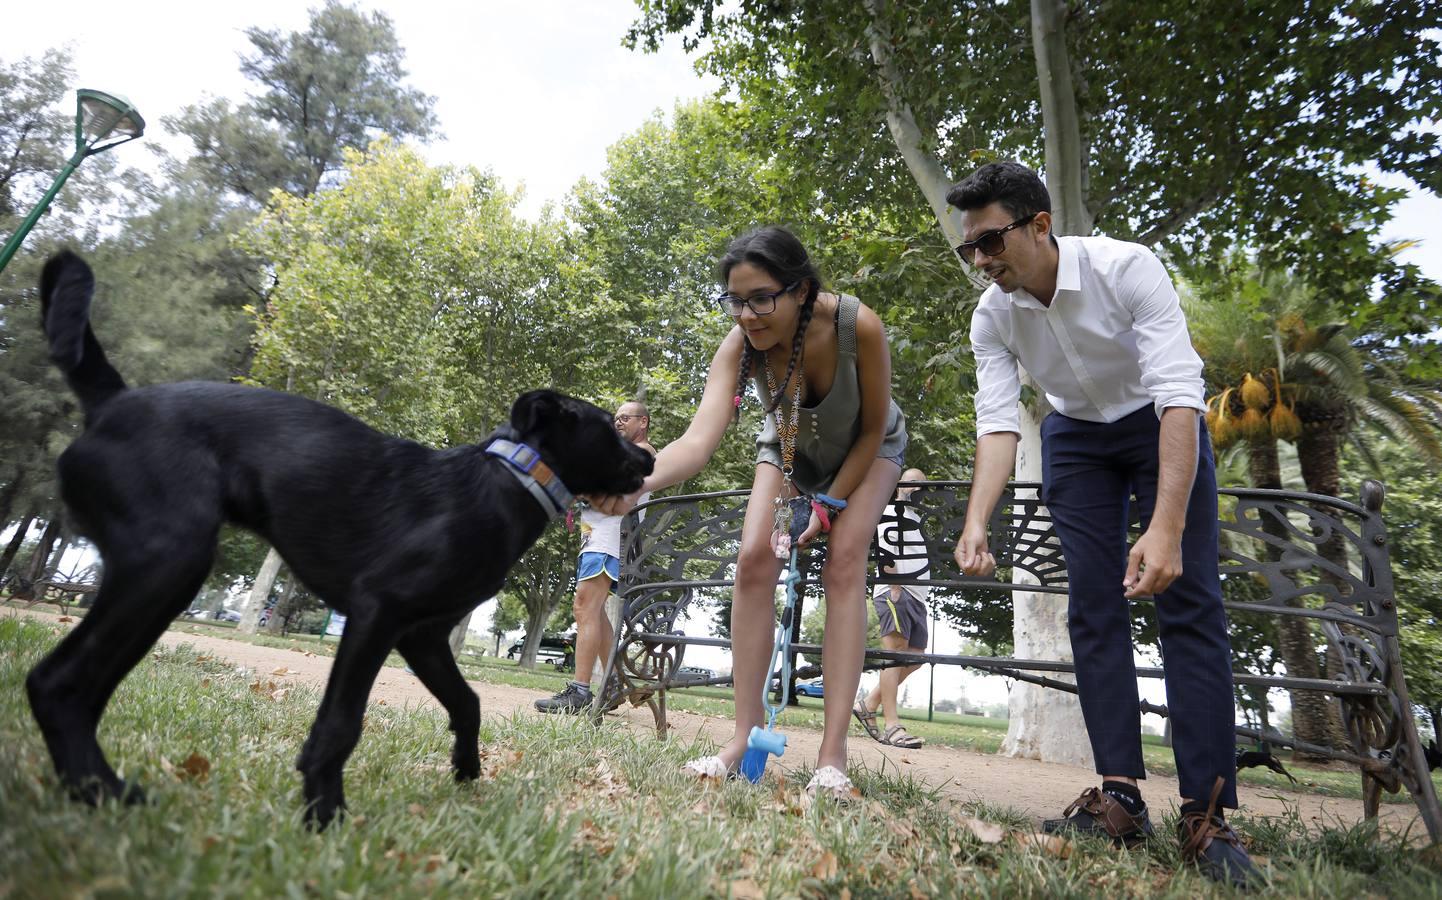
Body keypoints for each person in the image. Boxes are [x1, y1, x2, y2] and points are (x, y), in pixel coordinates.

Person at [947, 161, 1254, 886]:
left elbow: (1180, 396)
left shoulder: (1127, 269)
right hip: (1077, 440)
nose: (982, 262)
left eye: (992, 242)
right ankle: (1119, 798)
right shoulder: (992, 316)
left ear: (1040, 225)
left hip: (1159, 426)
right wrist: (976, 519)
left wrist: (1168, 526)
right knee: (1092, 606)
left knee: (1190, 603)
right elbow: (998, 424)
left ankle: (1205, 814)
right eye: (971, 250)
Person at [590, 226, 906, 799]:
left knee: (845, 562)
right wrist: (637, 480)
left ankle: (832, 756)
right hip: (787, 449)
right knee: (752, 561)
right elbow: (697, 440)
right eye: (735, 300)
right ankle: (743, 737)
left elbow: (872, 428)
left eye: (762, 298)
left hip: (870, 449)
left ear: (802, 289)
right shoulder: (740, 346)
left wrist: (832, 503)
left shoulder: (857, 324)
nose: (747, 315)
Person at [535, 401, 657, 714]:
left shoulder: (645, 451)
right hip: (598, 537)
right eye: (615, 418)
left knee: (584, 606)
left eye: (625, 418)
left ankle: (580, 692)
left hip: (608, 538)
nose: (617, 423)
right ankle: (615, 683)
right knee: (595, 611)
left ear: (642, 422)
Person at [853, 468, 930, 749]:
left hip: (917, 597)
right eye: (911, 483)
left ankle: (868, 704)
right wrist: (894, 583)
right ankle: (892, 724)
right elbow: (883, 547)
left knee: (916, 658)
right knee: (894, 656)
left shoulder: (914, 517)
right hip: (896, 591)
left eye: (920, 485)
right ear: (899, 485)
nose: (915, 488)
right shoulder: (890, 510)